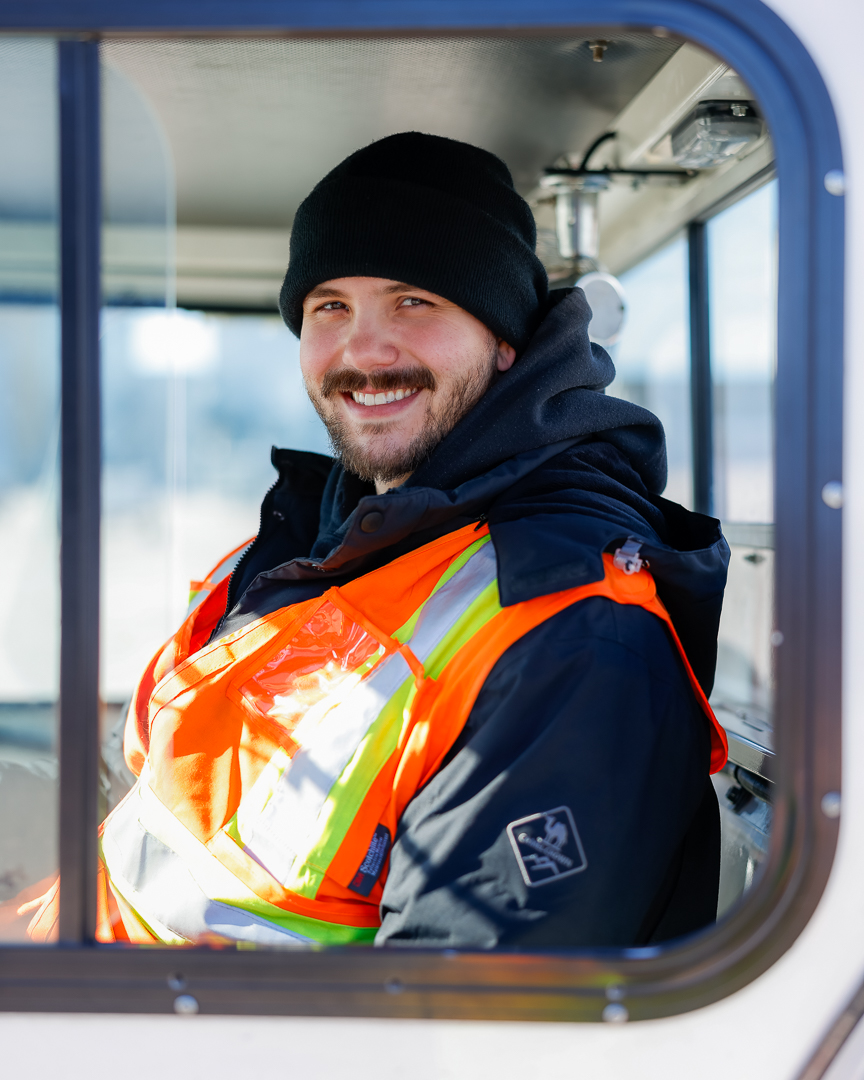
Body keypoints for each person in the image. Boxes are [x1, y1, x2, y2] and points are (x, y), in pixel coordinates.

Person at [26, 132, 728, 949]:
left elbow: (451, 1028)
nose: (363, 350)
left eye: (413, 301)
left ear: (506, 341)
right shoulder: (325, 542)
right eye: (331, 306)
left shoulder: (571, 630)